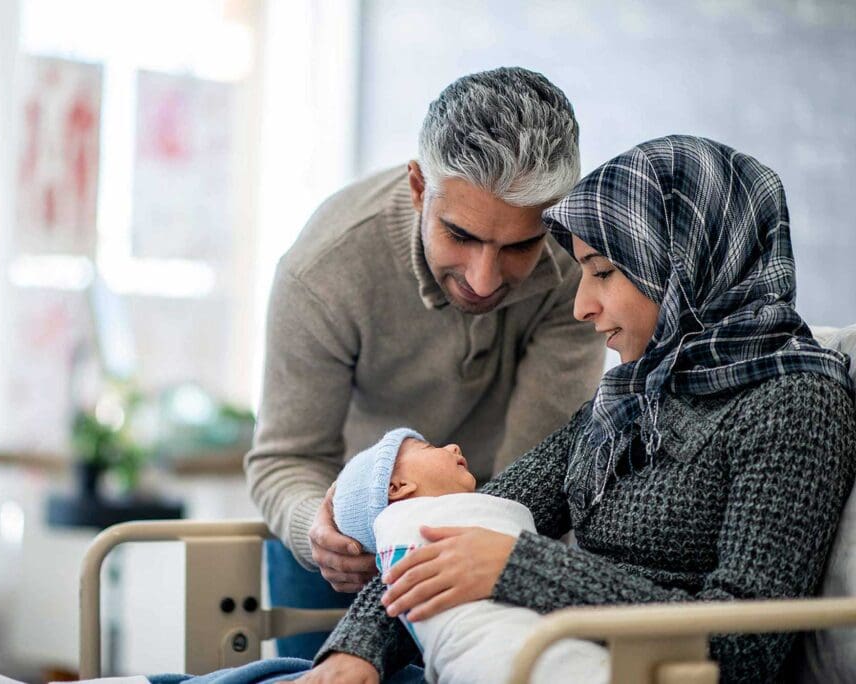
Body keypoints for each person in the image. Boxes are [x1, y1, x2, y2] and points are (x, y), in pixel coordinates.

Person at [302, 135, 856, 683]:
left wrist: (520, 568)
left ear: (682, 263)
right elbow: (456, 526)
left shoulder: (794, 403)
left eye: (604, 272)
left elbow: (745, 648)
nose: (582, 306)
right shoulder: (629, 400)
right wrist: (355, 653)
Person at [246, 66, 606, 656]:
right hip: (344, 551)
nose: (484, 280)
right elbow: (286, 457)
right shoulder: (325, 271)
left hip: (493, 528)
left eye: (518, 245)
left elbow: (533, 477)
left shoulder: (576, 271)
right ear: (419, 188)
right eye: (460, 235)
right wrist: (323, 531)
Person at [332, 427, 610, 684]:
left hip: (531, 653)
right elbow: (404, 581)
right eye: (429, 448)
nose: (453, 447)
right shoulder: (594, 428)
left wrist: (518, 562)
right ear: (397, 487)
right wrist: (356, 650)